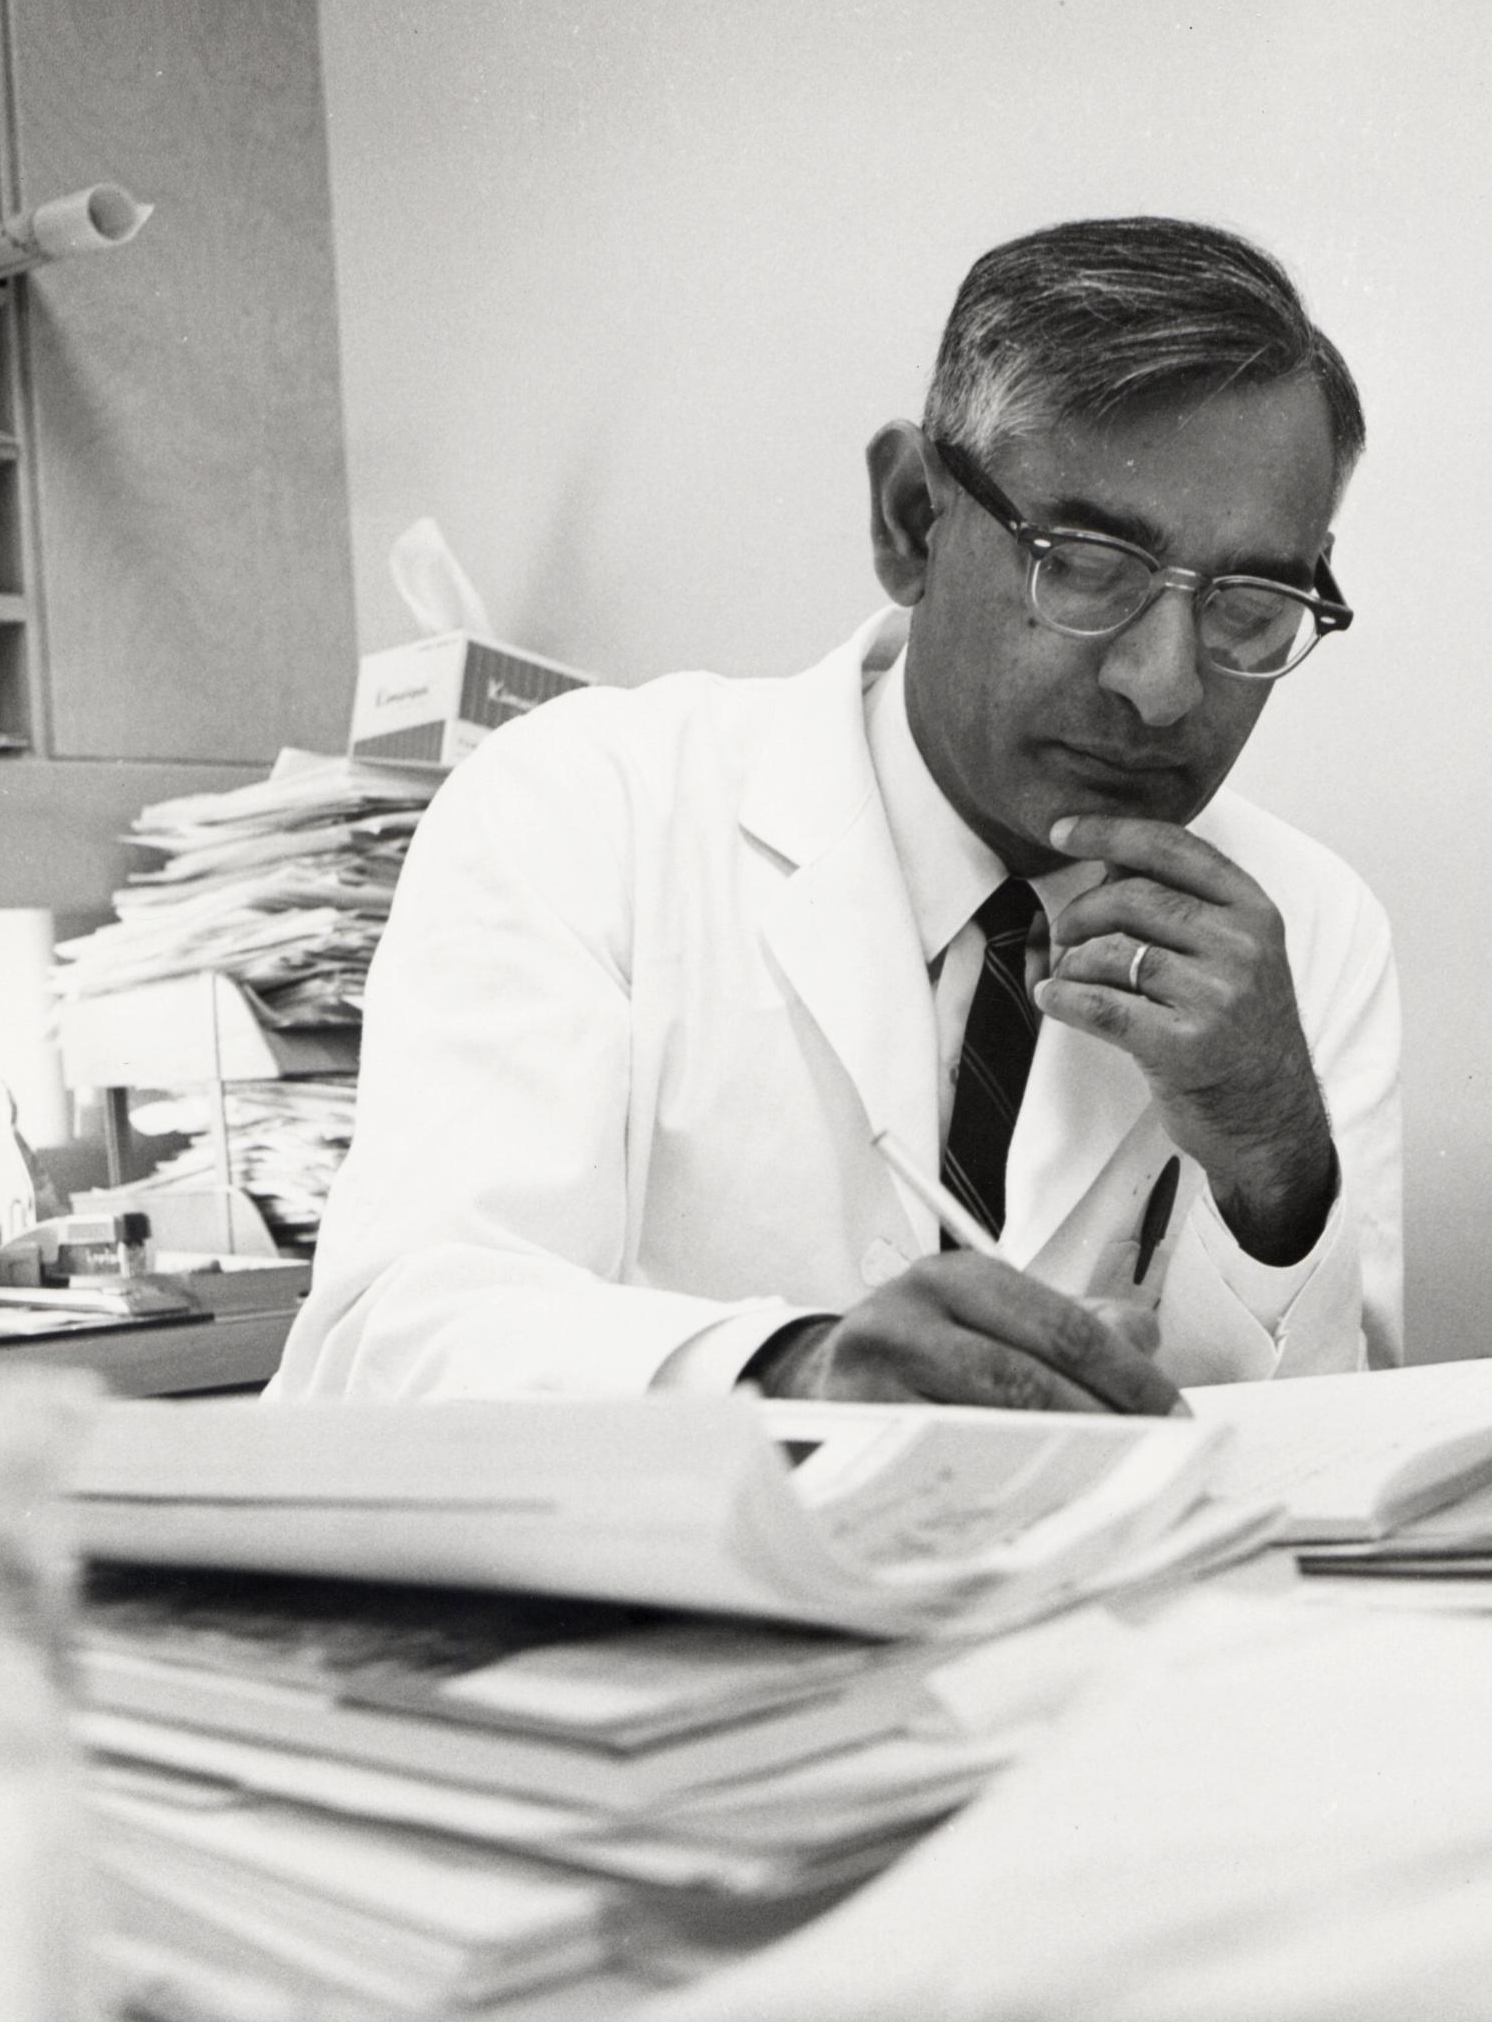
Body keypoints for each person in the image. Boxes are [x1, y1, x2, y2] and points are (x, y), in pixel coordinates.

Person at [272, 217, 1401, 1411]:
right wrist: (790, 1375)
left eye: (1250, 604)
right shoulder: (584, 806)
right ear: (913, 520)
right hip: (673, 1536)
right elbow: (394, 1339)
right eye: (1082, 564)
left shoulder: (1309, 927)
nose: (1162, 686)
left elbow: (1340, 1445)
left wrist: (1277, 1167)